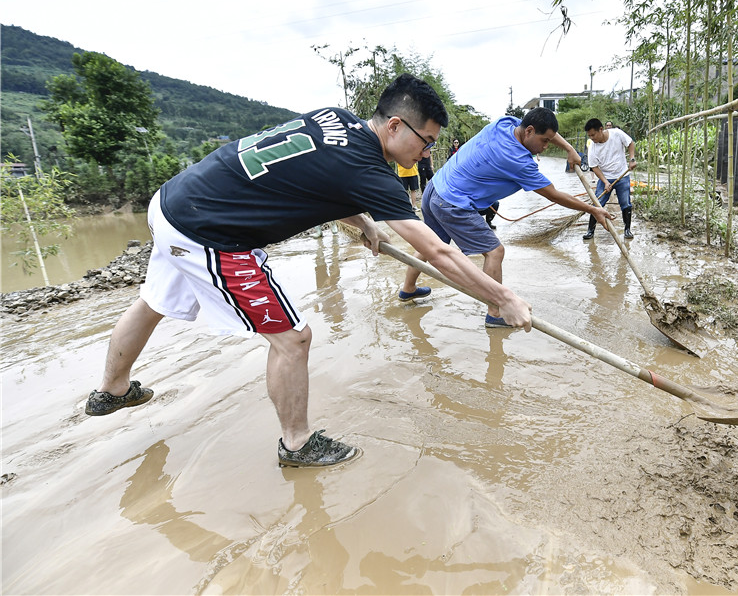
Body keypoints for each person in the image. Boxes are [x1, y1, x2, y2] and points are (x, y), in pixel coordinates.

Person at [83, 73, 532, 469]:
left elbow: (314, 173)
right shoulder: (371, 172)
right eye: (426, 140)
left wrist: (362, 223)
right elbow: (437, 252)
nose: (428, 149)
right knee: (293, 339)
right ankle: (297, 444)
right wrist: (502, 297)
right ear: (395, 125)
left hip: (171, 203)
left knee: (154, 301)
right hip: (210, 232)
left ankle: (112, 390)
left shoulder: (336, 118)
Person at [400, 107, 613, 327]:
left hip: (435, 188)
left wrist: (569, 148)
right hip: (452, 202)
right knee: (494, 251)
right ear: (529, 131)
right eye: (545, 141)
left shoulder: (505, 123)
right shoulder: (519, 161)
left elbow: (542, 127)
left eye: (550, 140)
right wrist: (593, 209)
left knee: (430, 244)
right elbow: (554, 195)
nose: (546, 146)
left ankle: (408, 289)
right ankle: (495, 312)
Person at [583, 118, 637, 240]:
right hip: (605, 178)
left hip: (622, 175)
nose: (591, 138)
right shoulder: (592, 147)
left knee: (625, 203)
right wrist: (605, 182)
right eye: (589, 136)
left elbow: (630, 143)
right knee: (597, 203)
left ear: (601, 129)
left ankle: (627, 230)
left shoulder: (616, 133)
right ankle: (590, 231)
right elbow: (594, 167)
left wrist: (632, 159)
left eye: (593, 134)